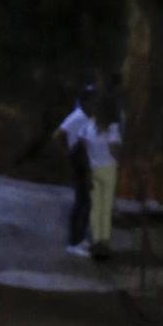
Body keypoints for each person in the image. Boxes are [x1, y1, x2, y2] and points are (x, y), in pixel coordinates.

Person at [86, 76, 124, 260]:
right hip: (108, 168)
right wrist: (120, 159)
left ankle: (96, 240)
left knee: (96, 206)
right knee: (107, 206)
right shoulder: (113, 127)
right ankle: (105, 241)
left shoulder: (91, 125)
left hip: (94, 167)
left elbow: (84, 144)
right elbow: (113, 147)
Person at [58, 81, 97, 253]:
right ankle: (74, 241)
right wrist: (69, 151)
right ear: (85, 102)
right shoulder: (78, 117)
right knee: (82, 201)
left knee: (86, 202)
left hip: (84, 161)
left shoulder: (88, 118)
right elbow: (61, 133)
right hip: (78, 160)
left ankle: (80, 238)